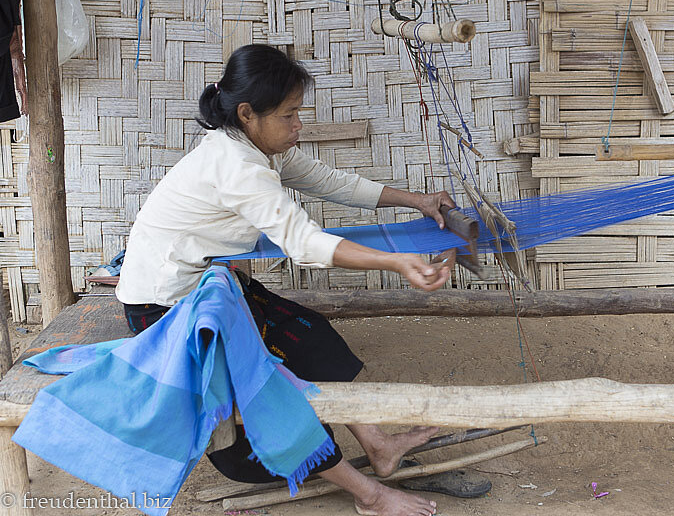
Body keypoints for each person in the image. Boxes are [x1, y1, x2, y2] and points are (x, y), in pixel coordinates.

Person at [115, 43, 456, 516]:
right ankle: (371, 497)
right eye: (290, 114)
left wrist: (415, 200)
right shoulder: (237, 168)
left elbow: (328, 180)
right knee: (273, 394)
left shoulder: (256, 148)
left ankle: (378, 446)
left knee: (312, 339)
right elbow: (304, 243)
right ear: (248, 113)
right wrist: (396, 262)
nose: (299, 126)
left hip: (209, 288)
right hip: (167, 309)